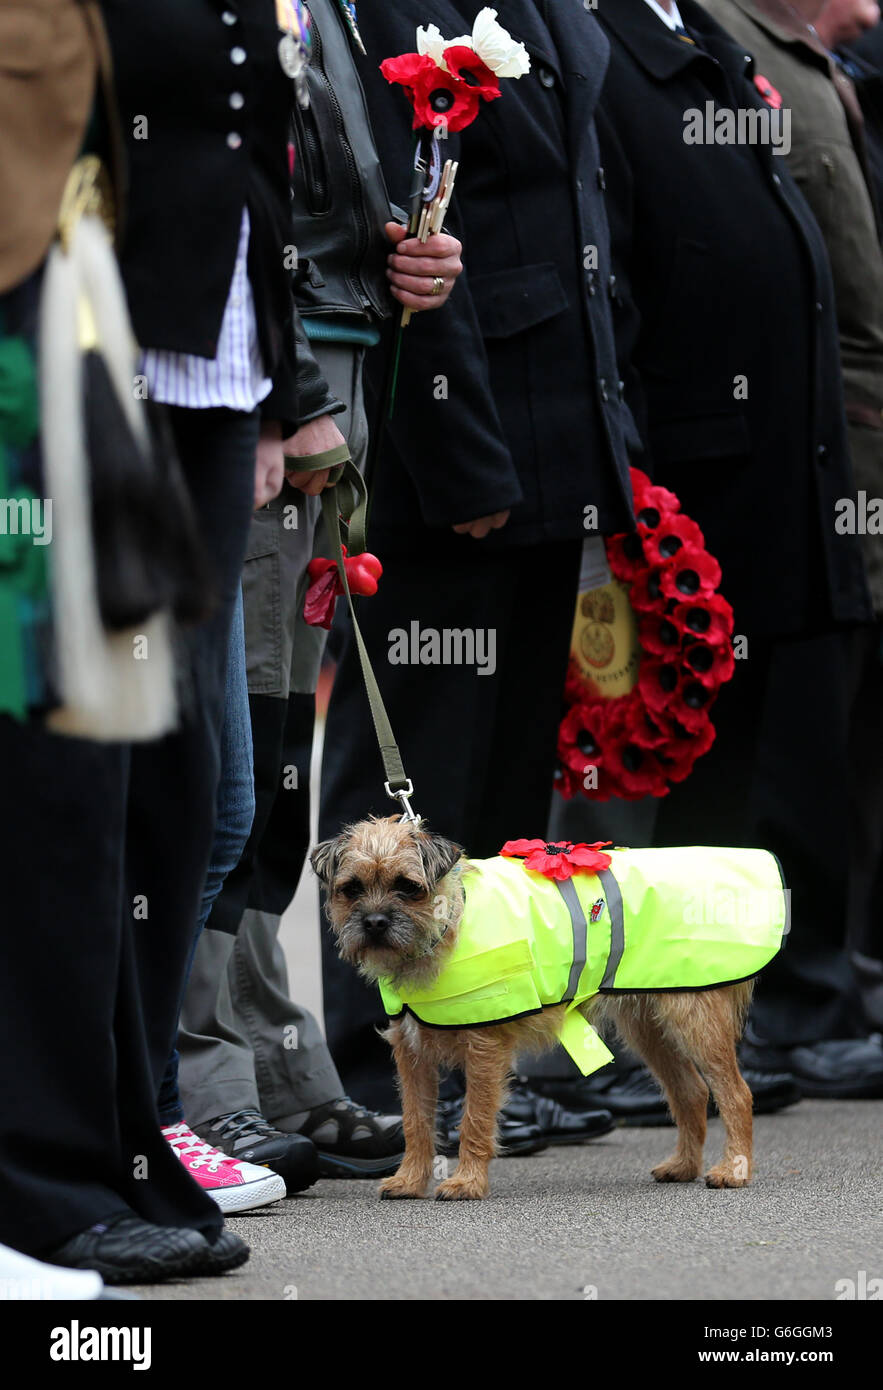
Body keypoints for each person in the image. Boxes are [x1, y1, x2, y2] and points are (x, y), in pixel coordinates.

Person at [0, 0, 303, 1284]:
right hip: (77, 357)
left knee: (176, 792)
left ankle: (128, 1131)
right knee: (78, 786)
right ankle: (41, 1170)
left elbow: (254, 172)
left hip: (209, 371)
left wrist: (288, 388)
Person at [543, 0, 874, 1119]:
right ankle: (603, 1038)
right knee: (626, 775)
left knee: (714, 786)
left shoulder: (696, 43)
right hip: (673, 490)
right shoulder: (607, 46)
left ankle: (687, 1025)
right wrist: (625, 480)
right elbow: (616, 290)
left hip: (753, 487)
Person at [317, 0, 638, 1118]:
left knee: (503, 791)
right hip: (462, 439)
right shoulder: (407, 11)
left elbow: (580, 217)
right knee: (416, 772)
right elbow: (415, 234)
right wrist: (461, 464)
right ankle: (386, 1064)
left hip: (553, 430)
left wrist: (612, 439)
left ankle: (482, 1046)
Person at [172, 0, 465, 1179]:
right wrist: (290, 396)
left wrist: (409, 249)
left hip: (333, 359)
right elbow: (228, 205)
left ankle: (283, 1064)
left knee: (282, 753)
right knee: (225, 770)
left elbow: (329, 196)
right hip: (264, 380)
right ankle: (206, 1077)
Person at [697, 0, 883, 1094]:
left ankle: (829, 985)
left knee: (837, 737)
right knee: (789, 744)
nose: (867, 9)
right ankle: (789, 1003)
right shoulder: (734, 54)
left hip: (839, 449)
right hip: (821, 447)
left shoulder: (810, 63)